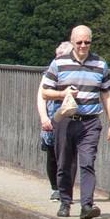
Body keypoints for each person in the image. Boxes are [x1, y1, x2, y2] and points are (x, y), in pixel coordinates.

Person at [40, 25, 110, 219]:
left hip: (90, 122)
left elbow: (106, 94)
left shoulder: (100, 64)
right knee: (64, 163)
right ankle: (65, 202)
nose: (83, 45)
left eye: (87, 42)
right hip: (66, 120)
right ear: (72, 42)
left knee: (87, 162)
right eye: (79, 42)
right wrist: (62, 93)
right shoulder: (59, 63)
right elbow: (45, 92)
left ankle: (87, 206)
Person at [36, 41, 73, 201]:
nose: (58, 59)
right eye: (57, 56)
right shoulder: (49, 73)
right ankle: (56, 188)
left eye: (62, 56)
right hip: (52, 117)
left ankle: (65, 190)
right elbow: (41, 97)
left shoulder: (77, 72)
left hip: (71, 119)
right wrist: (44, 117)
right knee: (52, 155)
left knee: (69, 156)